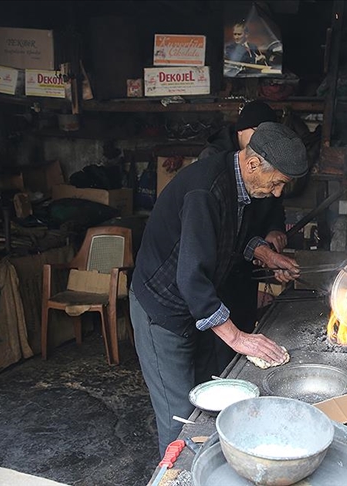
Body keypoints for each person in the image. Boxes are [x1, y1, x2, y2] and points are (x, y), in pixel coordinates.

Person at [130, 122, 308, 458]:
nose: (277, 193)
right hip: (162, 308)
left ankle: (206, 468)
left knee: (205, 401)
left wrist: (267, 255)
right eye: (277, 183)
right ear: (253, 164)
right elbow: (191, 278)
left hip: (191, 307)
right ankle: (176, 477)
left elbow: (231, 236)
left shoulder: (238, 184)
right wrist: (238, 337)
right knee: (180, 417)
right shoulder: (206, 191)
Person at [199, 101, 287, 373]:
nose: (264, 140)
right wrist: (235, 338)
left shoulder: (267, 161)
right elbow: (194, 275)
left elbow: (273, 204)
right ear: (241, 131)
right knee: (220, 339)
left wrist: (270, 236)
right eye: (258, 133)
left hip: (243, 258)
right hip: (217, 267)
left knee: (244, 323)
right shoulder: (213, 165)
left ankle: (237, 372)